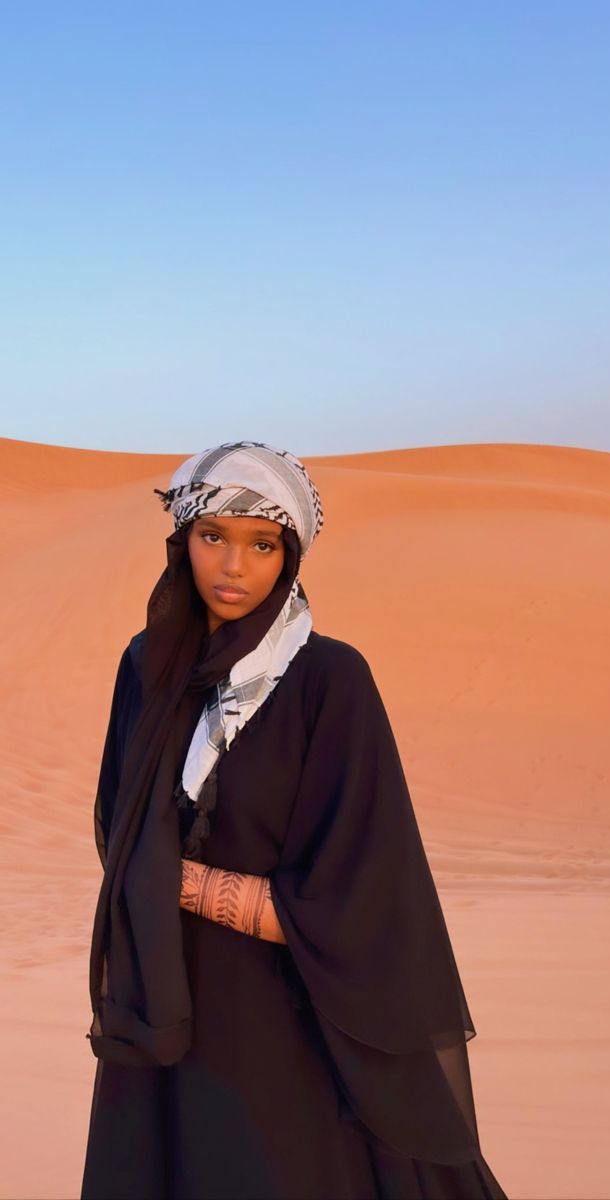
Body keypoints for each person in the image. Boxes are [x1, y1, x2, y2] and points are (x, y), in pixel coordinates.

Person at [80, 440, 509, 1200]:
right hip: (161, 1000)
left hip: (286, 1018)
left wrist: (162, 878)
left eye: (262, 544)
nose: (234, 567)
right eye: (213, 536)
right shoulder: (146, 665)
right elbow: (117, 825)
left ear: (291, 556)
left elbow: (359, 895)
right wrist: (147, 875)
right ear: (181, 542)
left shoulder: (328, 679)